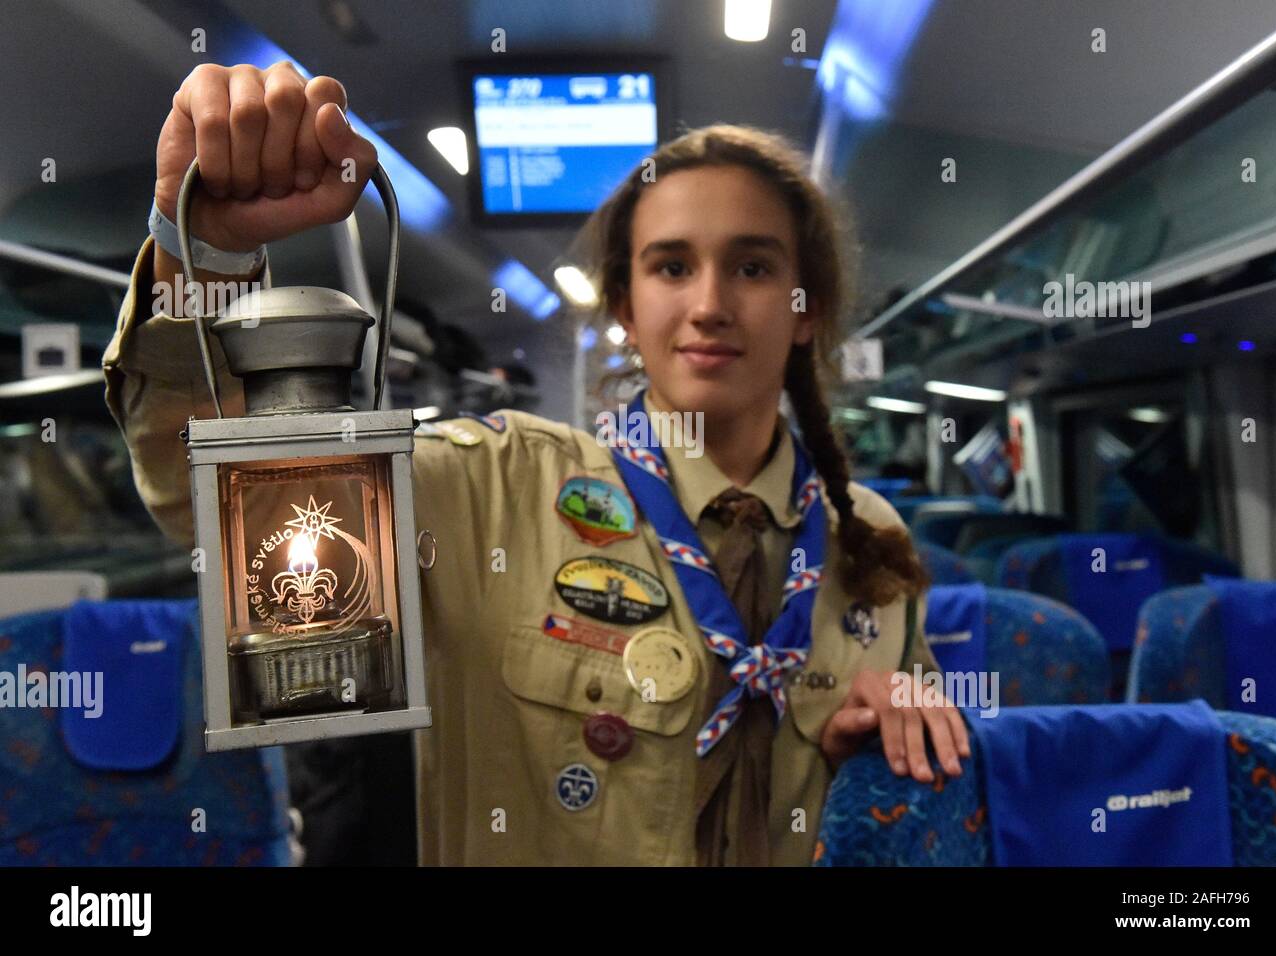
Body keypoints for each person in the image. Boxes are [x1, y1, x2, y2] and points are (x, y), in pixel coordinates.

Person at [102, 61, 969, 866]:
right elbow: (213, 499)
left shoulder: (870, 540)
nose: (709, 304)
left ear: (804, 305)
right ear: (626, 308)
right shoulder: (496, 490)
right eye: (673, 266)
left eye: (751, 265)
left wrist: (897, 734)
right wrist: (203, 263)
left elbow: (920, 805)